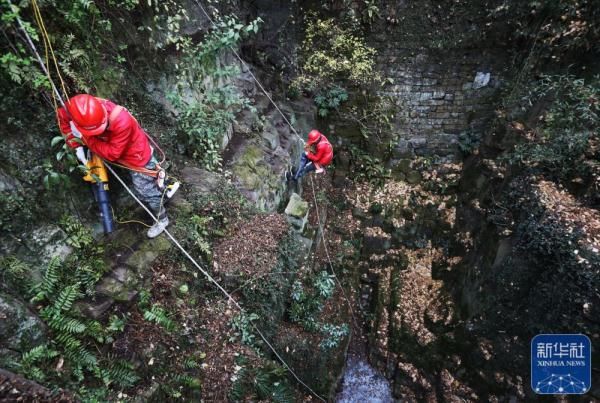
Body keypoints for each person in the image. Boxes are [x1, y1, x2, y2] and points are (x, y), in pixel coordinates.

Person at [57, 94, 172, 238]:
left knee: (145, 191)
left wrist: (85, 137)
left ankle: (163, 219)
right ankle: (163, 188)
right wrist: (75, 146)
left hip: (136, 155)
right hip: (117, 148)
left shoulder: (121, 121)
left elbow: (112, 154)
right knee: (151, 180)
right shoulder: (77, 108)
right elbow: (63, 119)